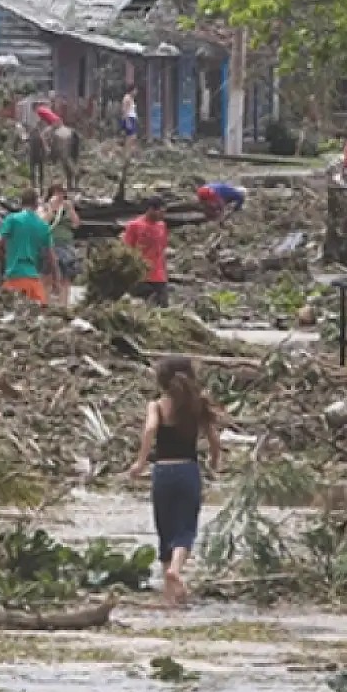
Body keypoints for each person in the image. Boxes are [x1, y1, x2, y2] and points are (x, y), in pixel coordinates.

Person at [125, 357, 222, 607]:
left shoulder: (157, 406)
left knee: (165, 530)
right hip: (188, 471)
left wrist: (140, 462)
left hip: (162, 473)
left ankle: (170, 597)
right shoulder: (197, 405)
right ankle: (175, 572)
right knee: (185, 530)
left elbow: (149, 430)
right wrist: (214, 461)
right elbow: (214, 439)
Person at [0, 187, 58, 306]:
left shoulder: (12, 220)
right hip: (33, 280)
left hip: (14, 278)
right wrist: (56, 281)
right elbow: (52, 257)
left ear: (21, 202)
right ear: (36, 204)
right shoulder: (43, 226)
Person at [123, 196, 171, 306]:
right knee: (146, 305)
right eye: (160, 212)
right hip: (141, 275)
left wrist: (165, 273)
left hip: (159, 275)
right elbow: (127, 250)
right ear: (151, 209)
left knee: (163, 306)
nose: (163, 215)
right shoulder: (135, 225)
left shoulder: (162, 226)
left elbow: (162, 250)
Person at [42, 184, 82, 306]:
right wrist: (52, 209)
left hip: (66, 245)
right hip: (50, 244)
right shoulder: (45, 206)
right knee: (48, 274)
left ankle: (63, 305)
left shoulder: (67, 207)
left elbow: (76, 224)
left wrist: (70, 210)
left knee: (66, 275)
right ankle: (45, 303)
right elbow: (43, 223)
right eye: (57, 192)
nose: (60, 195)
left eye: (62, 192)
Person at [120, 84, 139, 156]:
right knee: (132, 137)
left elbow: (132, 110)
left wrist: (136, 118)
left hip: (132, 119)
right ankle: (126, 152)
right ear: (131, 90)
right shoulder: (127, 98)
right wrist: (127, 121)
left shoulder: (132, 98)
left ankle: (128, 153)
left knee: (131, 137)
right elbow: (124, 110)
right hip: (128, 119)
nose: (136, 92)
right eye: (135, 90)